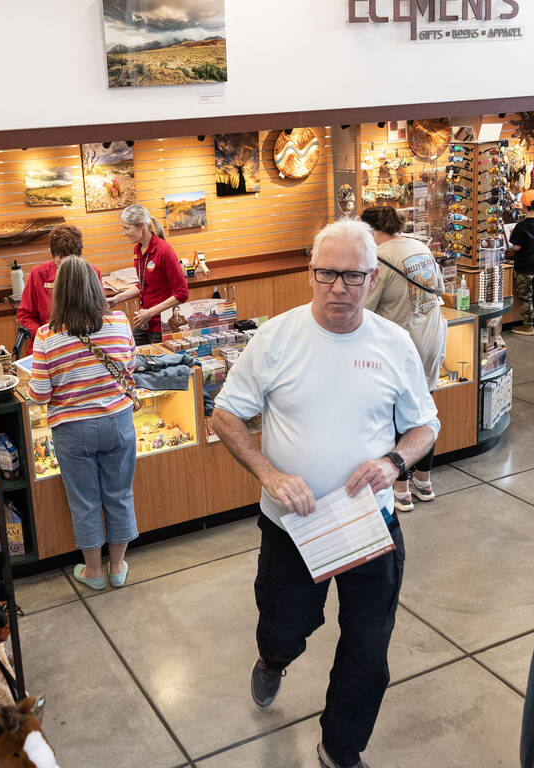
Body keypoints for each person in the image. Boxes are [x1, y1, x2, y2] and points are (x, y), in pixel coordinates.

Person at [211, 219, 439, 768]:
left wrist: (394, 462)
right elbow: (226, 415)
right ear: (310, 273)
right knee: (286, 625)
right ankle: (274, 659)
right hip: (293, 526)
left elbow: (424, 426)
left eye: (352, 276)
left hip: (369, 525)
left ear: (372, 276)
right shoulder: (276, 339)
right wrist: (269, 474)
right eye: (326, 274)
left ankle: (340, 748)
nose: (338, 287)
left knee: (368, 651)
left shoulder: (394, 343)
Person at [25, 256, 138, 590]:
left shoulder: (47, 336)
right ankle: (117, 567)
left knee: (85, 501)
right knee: (119, 494)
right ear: (95, 286)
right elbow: (129, 365)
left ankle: (93, 572)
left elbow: (39, 394)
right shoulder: (119, 322)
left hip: (73, 431)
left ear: (58, 293)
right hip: (118, 422)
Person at [362, 206, 447, 510]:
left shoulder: (380, 259)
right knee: (425, 413)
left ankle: (400, 489)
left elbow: (363, 311)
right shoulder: (420, 247)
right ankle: (423, 483)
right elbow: (440, 287)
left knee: (397, 418)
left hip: (403, 347)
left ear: (372, 230)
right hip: (433, 338)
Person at [106, 203, 189, 344]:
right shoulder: (137, 250)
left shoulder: (164, 251)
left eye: (127, 228)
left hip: (161, 325)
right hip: (144, 321)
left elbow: (182, 293)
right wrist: (118, 298)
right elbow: (143, 284)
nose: (124, 233)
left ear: (142, 226)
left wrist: (150, 312)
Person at [15, 224, 101, 356]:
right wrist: (44, 336)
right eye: (62, 264)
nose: (68, 269)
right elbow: (25, 315)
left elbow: (99, 313)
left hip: (83, 346)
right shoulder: (38, 274)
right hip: (47, 347)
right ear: (53, 254)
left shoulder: (93, 272)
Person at [510, 189, 534, 335]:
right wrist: (524, 208)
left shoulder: (521, 226)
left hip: (524, 265)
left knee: (525, 295)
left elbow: (516, 247)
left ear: (524, 206)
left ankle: (528, 325)